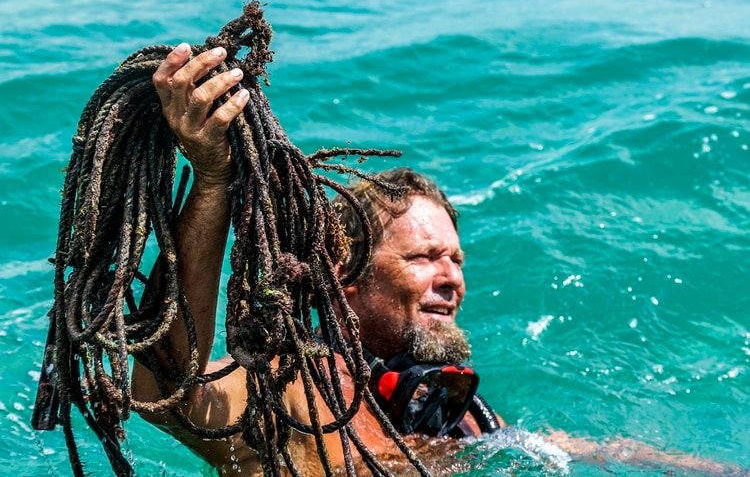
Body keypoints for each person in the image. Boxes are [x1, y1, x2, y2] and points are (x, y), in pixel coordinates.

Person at [132, 44, 738, 476]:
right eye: (424, 258)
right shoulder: (292, 396)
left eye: (456, 259)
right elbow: (166, 385)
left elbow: (560, 447)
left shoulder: (451, 410)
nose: (451, 279)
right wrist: (213, 178)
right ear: (344, 278)